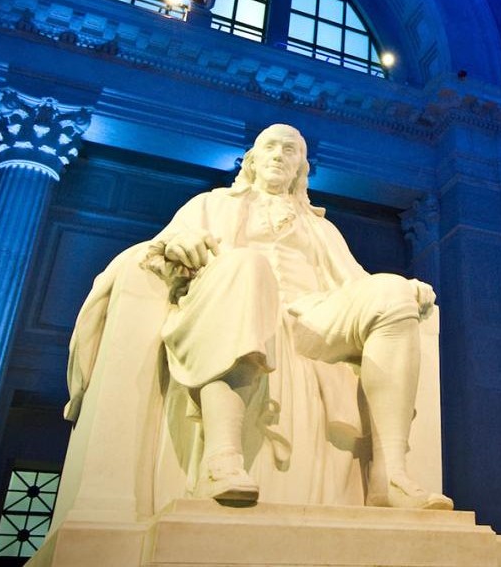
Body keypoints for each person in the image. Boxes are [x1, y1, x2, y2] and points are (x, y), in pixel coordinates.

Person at [64, 123, 449, 511]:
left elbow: (355, 281)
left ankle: (391, 476)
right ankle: (222, 458)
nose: (280, 155)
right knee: (248, 266)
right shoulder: (210, 205)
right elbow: (161, 248)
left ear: (302, 168)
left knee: (392, 292)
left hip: (310, 312)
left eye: (290, 150)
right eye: (271, 147)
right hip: (235, 297)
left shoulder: (321, 227)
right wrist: (177, 243)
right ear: (252, 160)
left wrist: (403, 291)